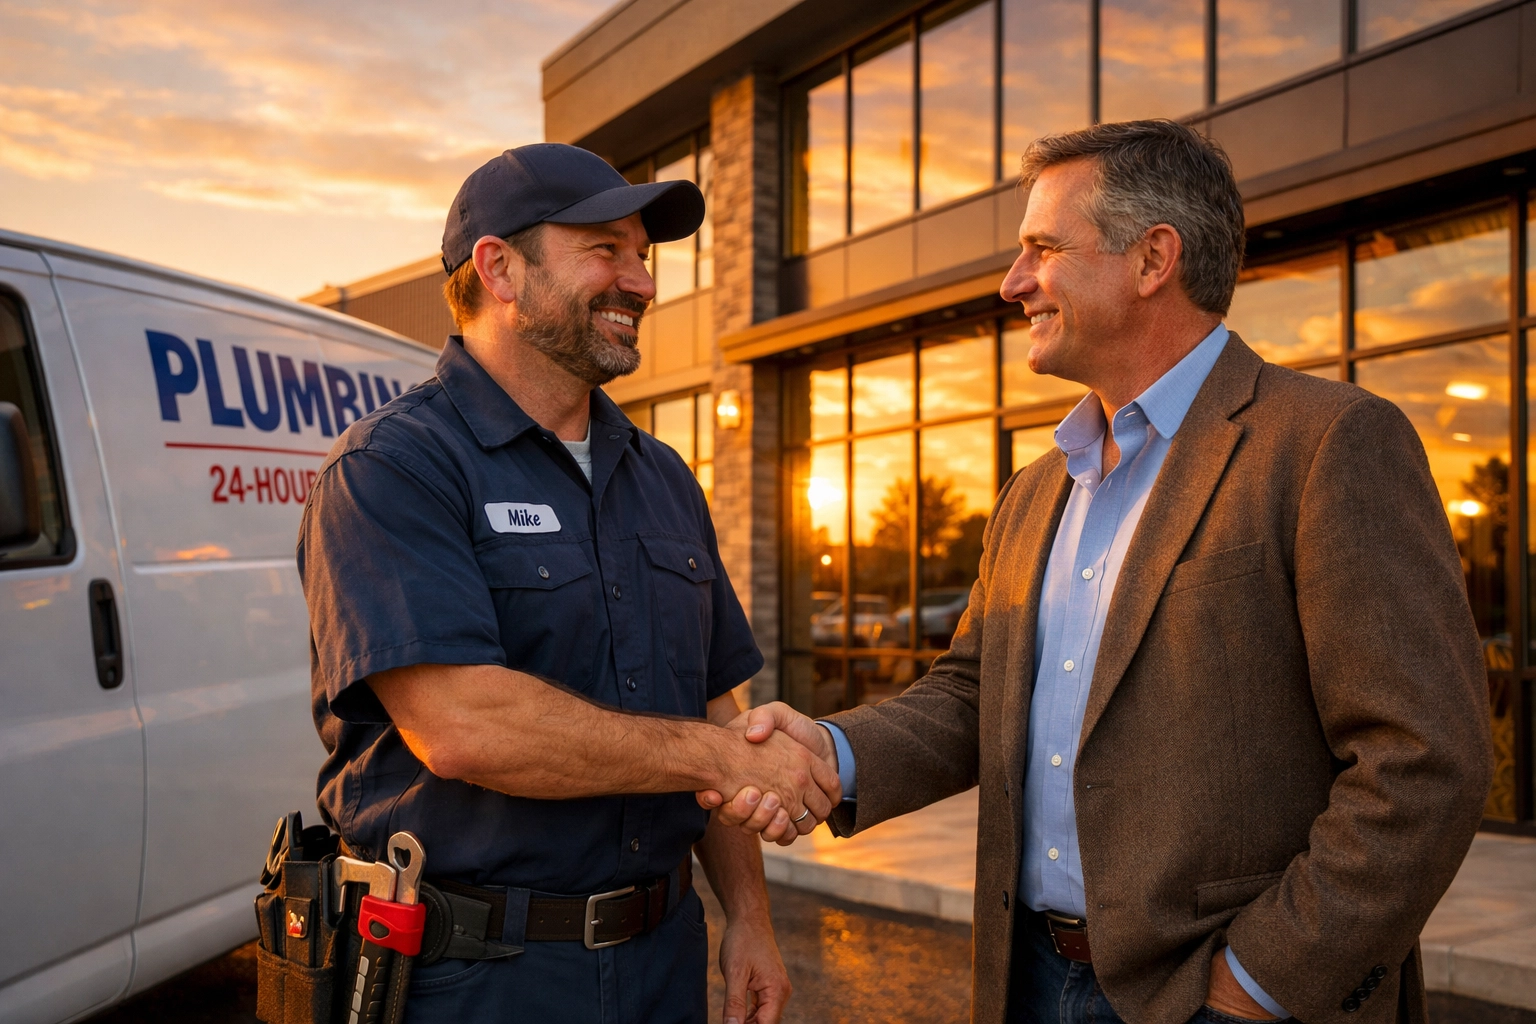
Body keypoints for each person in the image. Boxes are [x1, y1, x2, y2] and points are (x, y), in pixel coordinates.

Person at [704, 120, 1493, 1024]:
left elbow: (1424, 762)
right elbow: (971, 694)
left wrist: (1256, 985)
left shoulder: (1327, 445)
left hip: (1220, 993)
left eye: (1042, 248)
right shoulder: (1037, 488)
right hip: (1030, 978)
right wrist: (832, 755)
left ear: (1153, 257)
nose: (1013, 283)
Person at [298, 143, 839, 1024]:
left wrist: (750, 916)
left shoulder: (661, 476)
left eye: (645, 255)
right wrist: (724, 758)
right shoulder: (393, 467)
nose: (642, 282)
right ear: (499, 268)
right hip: (473, 977)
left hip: (663, 958)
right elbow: (464, 726)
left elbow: (713, 703)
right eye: (606, 250)